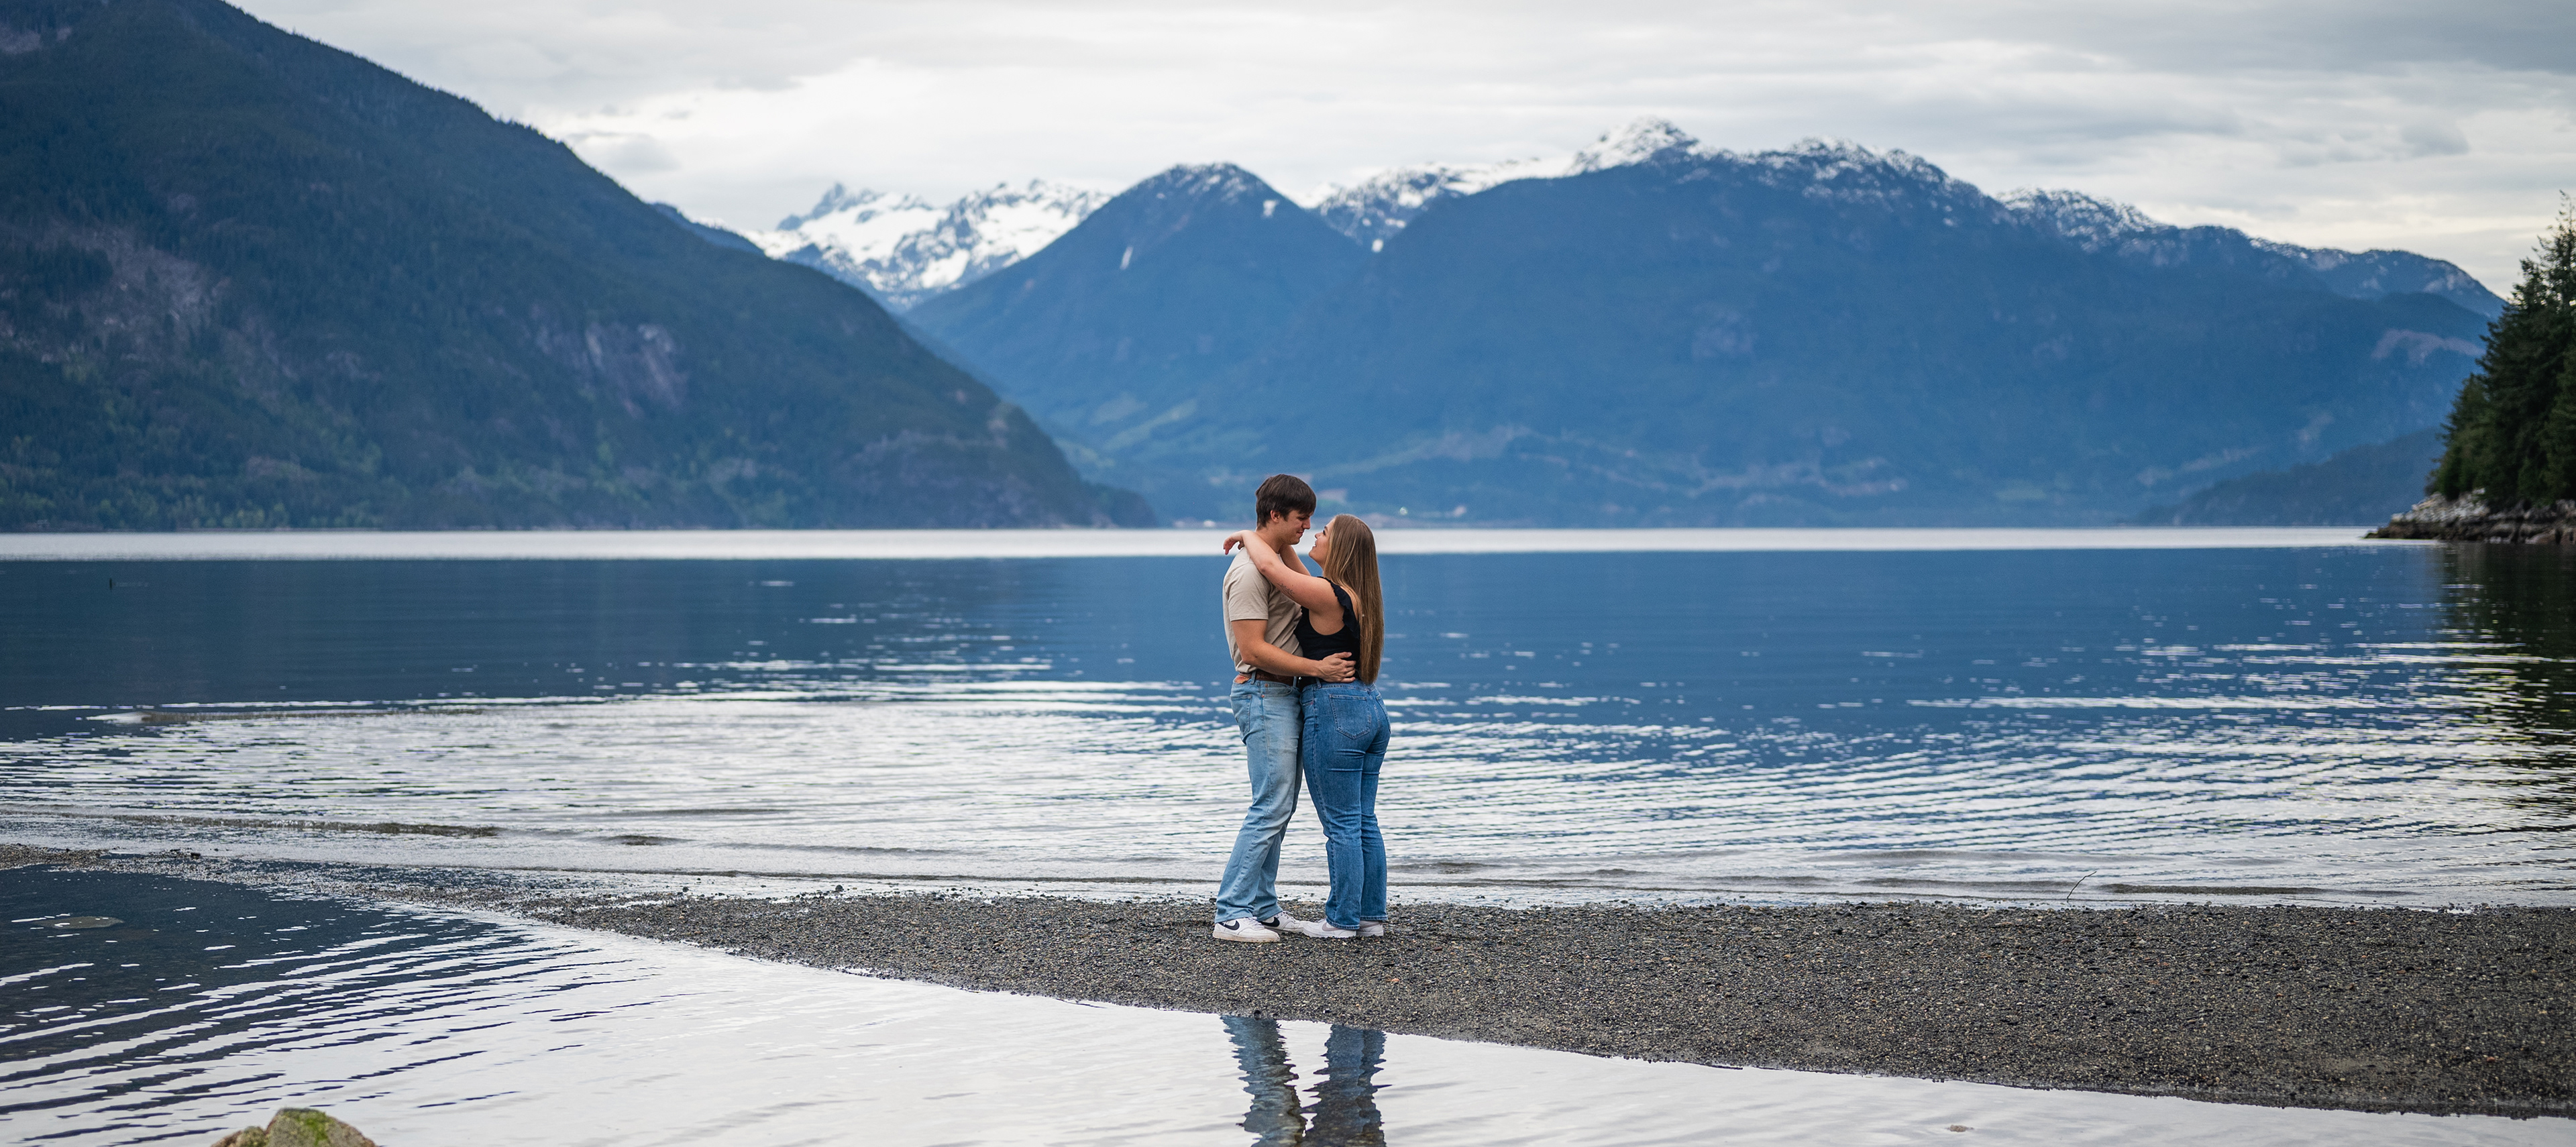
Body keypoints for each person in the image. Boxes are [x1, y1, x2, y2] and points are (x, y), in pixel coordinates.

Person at [1226, 513, 1389, 940]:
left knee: (1341, 824)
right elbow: (1288, 566)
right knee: (1363, 820)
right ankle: (1370, 917)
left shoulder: (1325, 595)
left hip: (1335, 708)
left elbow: (1271, 569)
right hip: (1370, 706)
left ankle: (1341, 921)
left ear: (1343, 549)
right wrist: (1275, 540)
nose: (1316, 534)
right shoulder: (1352, 593)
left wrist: (1248, 534)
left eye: (1326, 532)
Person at [1212, 475, 1356, 943]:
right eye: (1300, 519)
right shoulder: (1250, 572)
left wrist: (1254, 537)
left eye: (1311, 520)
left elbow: (1298, 577)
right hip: (1262, 692)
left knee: (1280, 805)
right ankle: (1231, 913)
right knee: (1270, 806)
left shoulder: (1269, 561)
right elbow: (1252, 649)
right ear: (1276, 515)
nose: (1306, 527)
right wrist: (1317, 668)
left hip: (1282, 695)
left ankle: (1264, 907)